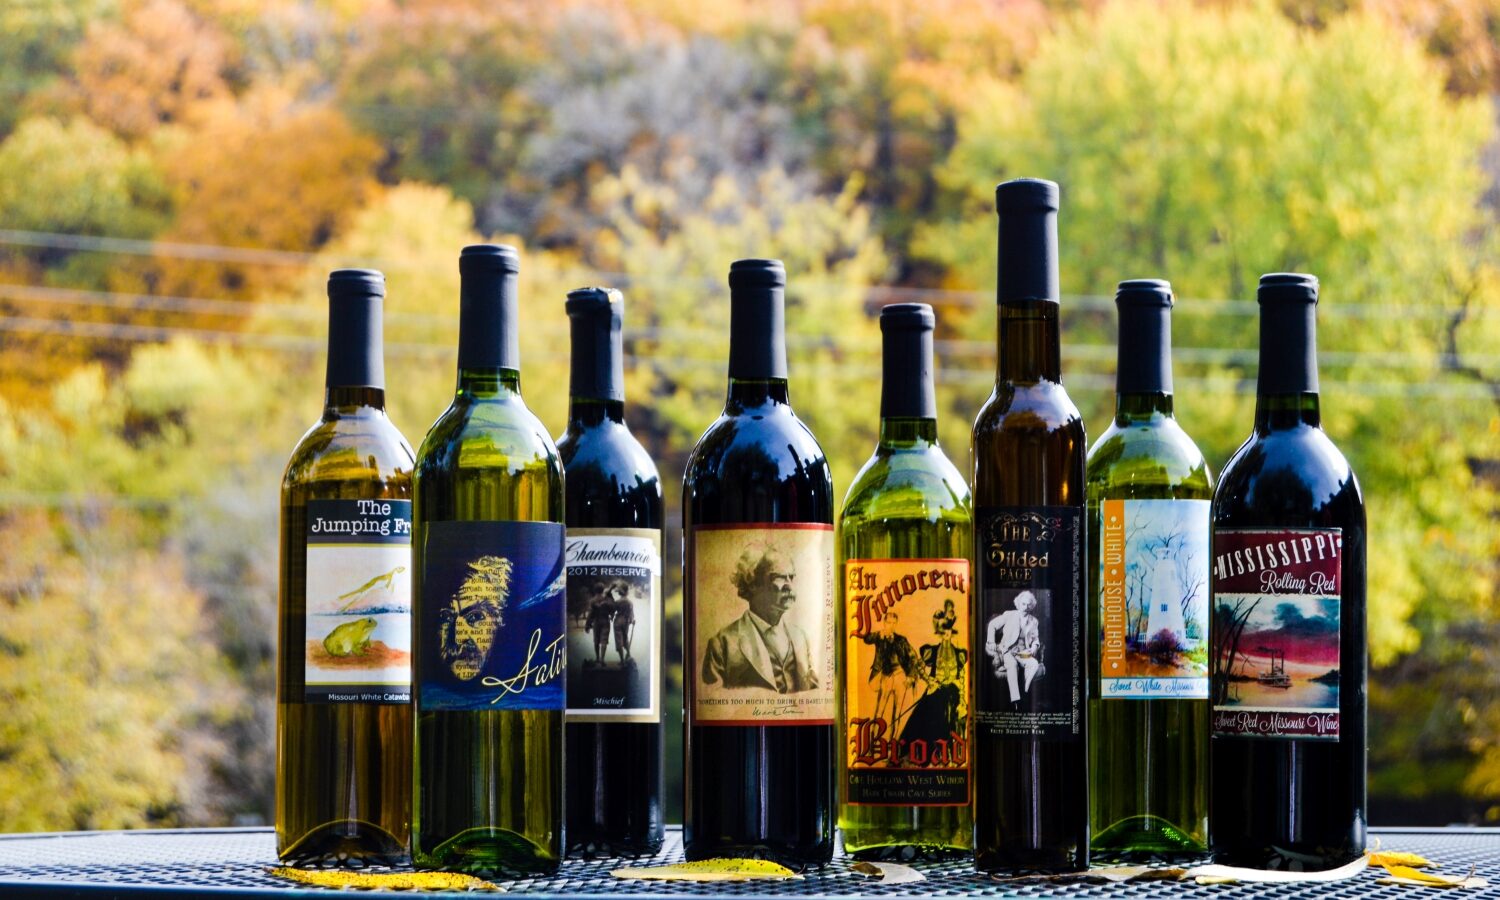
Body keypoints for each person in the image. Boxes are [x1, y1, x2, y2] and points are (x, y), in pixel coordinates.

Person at [701, 545, 818, 693]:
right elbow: (712, 696)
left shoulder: (800, 637)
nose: (789, 586)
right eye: (779, 577)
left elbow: (815, 692)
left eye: (791, 577)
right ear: (753, 584)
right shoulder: (723, 644)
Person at [863, 611, 921, 739]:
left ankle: (894, 740)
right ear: (884, 623)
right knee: (880, 710)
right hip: (886, 676)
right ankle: (873, 739)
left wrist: (911, 676)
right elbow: (866, 639)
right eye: (889, 623)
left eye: (894, 623)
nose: (891, 626)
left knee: (897, 712)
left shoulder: (901, 640)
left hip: (900, 676)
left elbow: (913, 657)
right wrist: (878, 634)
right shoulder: (879, 637)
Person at [985, 590, 1043, 706]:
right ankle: (1016, 700)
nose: (1025, 607)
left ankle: (1025, 691)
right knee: (1012, 665)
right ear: (1018, 603)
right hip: (1008, 651)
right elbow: (992, 625)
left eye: (1028, 605)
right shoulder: (1009, 615)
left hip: (1023, 652)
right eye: (1023, 604)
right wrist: (991, 641)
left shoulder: (1034, 621)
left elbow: (1036, 639)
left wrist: (1034, 647)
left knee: (1034, 664)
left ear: (1031, 606)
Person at [585, 590, 614, 665]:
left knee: (596, 640)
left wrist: (587, 624)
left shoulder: (592, 600)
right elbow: (612, 608)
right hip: (605, 621)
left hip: (596, 621)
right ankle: (602, 659)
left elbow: (590, 613)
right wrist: (612, 616)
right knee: (604, 640)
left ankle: (597, 658)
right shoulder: (607, 600)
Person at [610, 581, 635, 663]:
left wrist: (611, 617)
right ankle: (628, 654)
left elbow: (612, 612)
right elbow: (631, 614)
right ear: (627, 592)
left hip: (618, 621)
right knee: (625, 638)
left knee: (619, 640)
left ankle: (622, 660)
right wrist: (632, 620)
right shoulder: (630, 602)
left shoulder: (617, 602)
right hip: (626, 622)